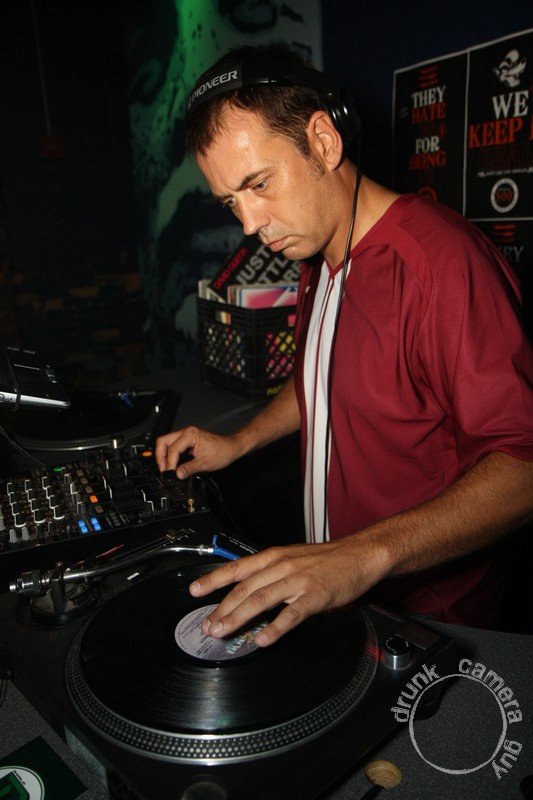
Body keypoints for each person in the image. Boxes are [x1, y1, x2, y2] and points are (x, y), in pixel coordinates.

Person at [155, 44, 533, 647]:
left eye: (259, 184)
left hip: (430, 622)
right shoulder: (317, 256)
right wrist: (239, 442)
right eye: (232, 202)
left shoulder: (441, 264)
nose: (248, 224)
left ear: (324, 142)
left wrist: (363, 556)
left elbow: (522, 468)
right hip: (346, 594)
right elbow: (320, 375)